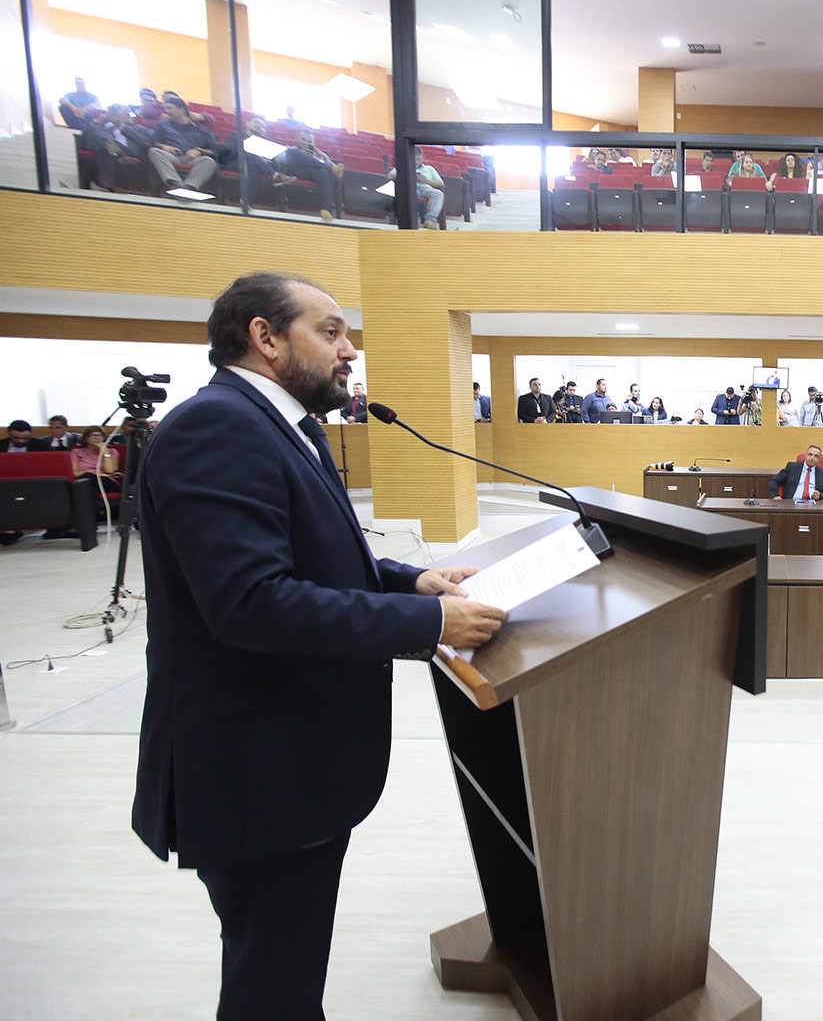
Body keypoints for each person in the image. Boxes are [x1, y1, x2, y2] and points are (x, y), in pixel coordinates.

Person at [130, 271, 506, 1021]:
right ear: (265, 338)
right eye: (330, 331)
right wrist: (429, 628)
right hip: (256, 769)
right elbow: (250, 602)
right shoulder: (220, 427)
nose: (350, 350)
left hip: (283, 761)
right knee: (273, 982)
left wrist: (411, 582)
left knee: (281, 968)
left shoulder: (273, 422)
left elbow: (313, 557)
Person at [150, 97, 222, 198]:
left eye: (170, 108)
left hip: (193, 158)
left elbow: (215, 149)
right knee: (154, 151)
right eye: (165, 109)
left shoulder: (202, 130)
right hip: (171, 156)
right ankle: (175, 184)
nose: (166, 112)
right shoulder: (163, 125)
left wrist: (199, 151)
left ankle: (189, 187)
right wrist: (163, 146)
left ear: (181, 110)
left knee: (209, 161)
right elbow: (153, 142)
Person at [82, 104, 157, 193]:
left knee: (108, 145)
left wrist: (121, 126)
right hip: (108, 147)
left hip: (130, 152)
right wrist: (98, 122)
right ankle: (105, 185)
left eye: (129, 112)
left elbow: (147, 143)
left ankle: (104, 185)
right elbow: (86, 134)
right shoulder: (104, 127)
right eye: (125, 110)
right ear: (114, 114)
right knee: (105, 142)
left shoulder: (140, 129)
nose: (128, 114)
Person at [276, 128, 344, 223]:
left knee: (325, 173)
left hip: (312, 174)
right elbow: (279, 160)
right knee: (294, 153)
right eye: (303, 139)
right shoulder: (290, 149)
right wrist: (302, 154)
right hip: (294, 172)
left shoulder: (319, 154)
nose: (306, 143)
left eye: (309, 141)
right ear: (296, 138)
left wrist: (323, 157)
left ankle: (325, 209)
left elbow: (328, 169)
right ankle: (332, 168)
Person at [389, 147, 445, 230]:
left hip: (426, 188)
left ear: (422, 157)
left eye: (418, 159)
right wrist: (407, 177)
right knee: (410, 191)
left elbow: (440, 183)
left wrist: (426, 181)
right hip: (410, 187)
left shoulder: (429, 168)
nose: (416, 161)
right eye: (414, 159)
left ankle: (430, 221)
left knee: (438, 194)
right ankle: (415, 220)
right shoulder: (403, 166)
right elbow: (390, 175)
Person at [69, 425, 123, 490]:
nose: (97, 438)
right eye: (93, 436)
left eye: (100, 436)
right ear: (86, 438)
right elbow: (75, 473)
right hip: (85, 480)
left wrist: (105, 452)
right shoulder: (76, 452)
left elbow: (110, 471)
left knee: (89, 483)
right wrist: (97, 475)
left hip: (106, 482)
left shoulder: (113, 451)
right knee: (89, 483)